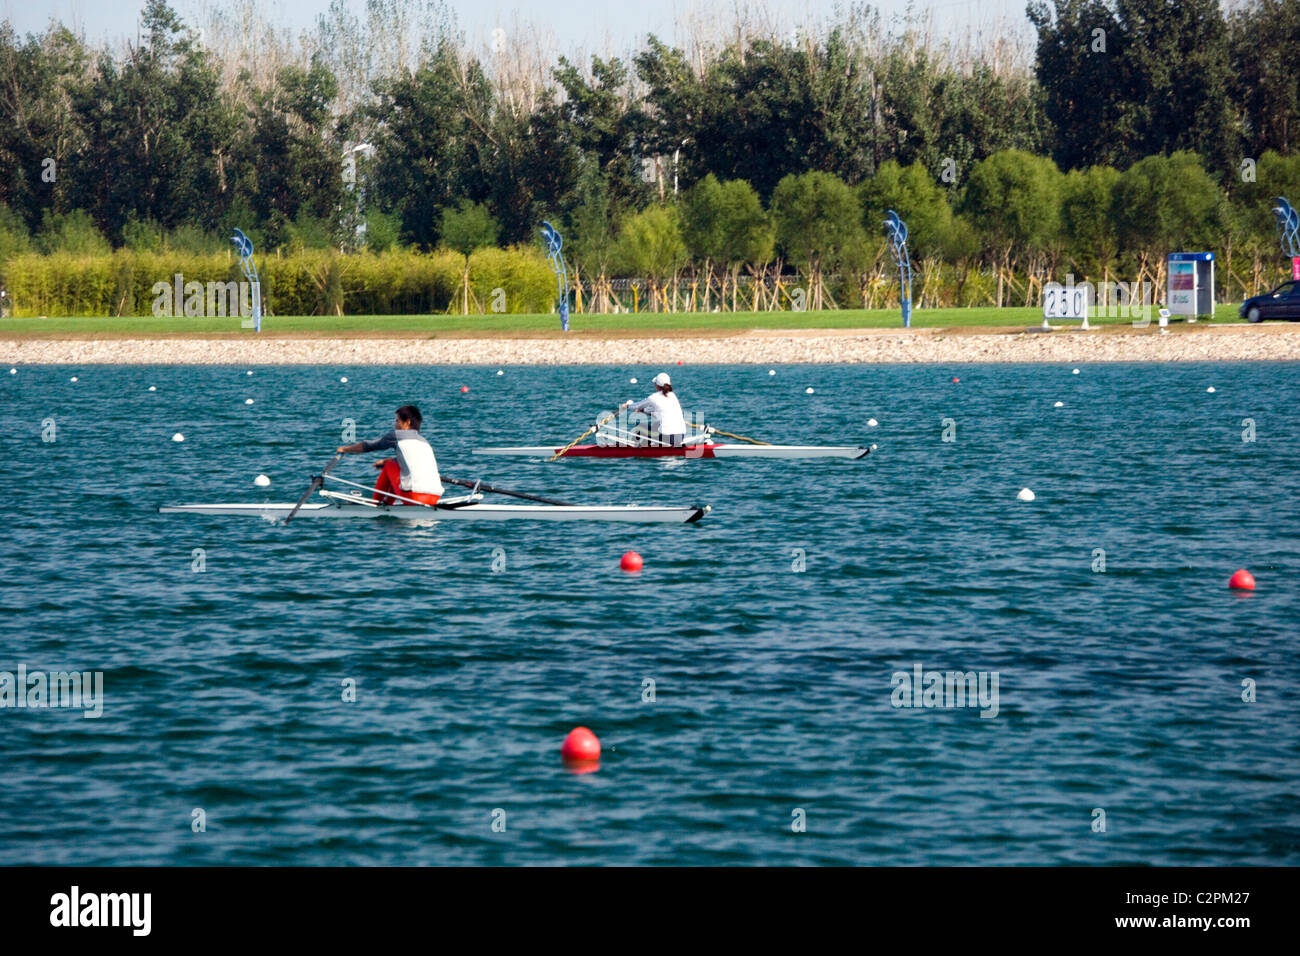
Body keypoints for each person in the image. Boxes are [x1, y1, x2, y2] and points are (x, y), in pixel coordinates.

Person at [336, 404, 443, 506]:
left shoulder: (397, 436)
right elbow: (412, 461)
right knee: (391, 464)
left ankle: (376, 504)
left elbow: (369, 446)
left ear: (407, 422)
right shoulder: (424, 442)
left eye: (397, 421)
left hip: (414, 497)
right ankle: (387, 503)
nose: (395, 424)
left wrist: (345, 449)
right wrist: (388, 460)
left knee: (389, 466)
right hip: (434, 497)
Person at [622, 372, 687, 446]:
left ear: (657, 385)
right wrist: (643, 410)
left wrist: (627, 406)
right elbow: (655, 409)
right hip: (681, 436)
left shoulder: (654, 397)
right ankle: (645, 446)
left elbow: (637, 405)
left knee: (640, 427)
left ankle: (633, 449)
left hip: (667, 437)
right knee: (655, 425)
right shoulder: (672, 395)